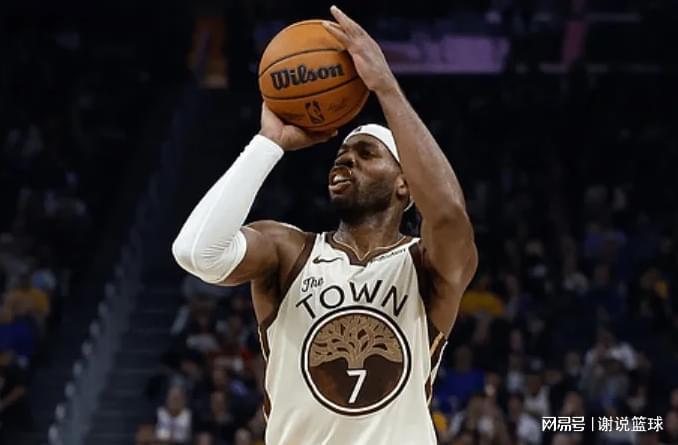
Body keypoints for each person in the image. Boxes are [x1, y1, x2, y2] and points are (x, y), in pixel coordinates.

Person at [172, 6, 477, 445]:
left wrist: (386, 87)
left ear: (404, 185)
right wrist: (268, 144)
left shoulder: (427, 265)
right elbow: (195, 252)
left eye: (366, 154)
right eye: (342, 154)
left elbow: (448, 214)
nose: (346, 159)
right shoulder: (287, 251)